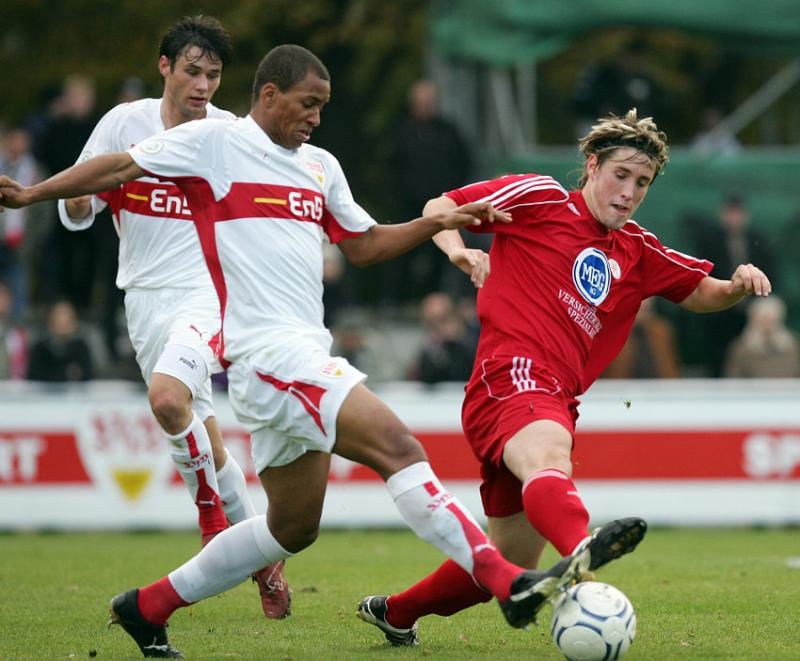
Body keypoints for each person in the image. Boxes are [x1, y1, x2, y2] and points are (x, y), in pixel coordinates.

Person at [0, 44, 643, 659]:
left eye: (323, 107)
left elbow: (362, 245)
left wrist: (434, 226)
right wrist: (34, 194)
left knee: (293, 528)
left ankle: (147, 606)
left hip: (299, 355)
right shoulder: (215, 141)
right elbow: (118, 166)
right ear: (270, 93)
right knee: (400, 448)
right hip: (267, 356)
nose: (315, 118)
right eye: (308, 103)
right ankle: (508, 583)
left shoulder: (321, 166)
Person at [355, 109, 772, 646]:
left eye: (641, 183)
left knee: (510, 561)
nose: (629, 192)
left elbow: (698, 291)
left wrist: (735, 284)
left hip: (556, 397)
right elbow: (443, 206)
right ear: (593, 167)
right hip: (509, 375)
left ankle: (397, 611)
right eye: (621, 175)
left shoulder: (638, 249)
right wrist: (459, 250)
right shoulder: (540, 198)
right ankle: (583, 548)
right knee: (550, 455)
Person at [55, 16, 290, 619]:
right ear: (165, 67)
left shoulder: (231, 133)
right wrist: (77, 204)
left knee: (166, 400)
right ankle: (263, 557)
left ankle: (212, 522)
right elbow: (79, 202)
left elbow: (275, 194)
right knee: (203, 436)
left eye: (213, 74)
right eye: (192, 71)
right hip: (143, 296)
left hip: (208, 293)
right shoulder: (122, 122)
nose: (203, 84)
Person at [384, 79, 475, 307]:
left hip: (442, 205)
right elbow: (390, 165)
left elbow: (465, 161)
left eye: (429, 102)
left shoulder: (447, 131)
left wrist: (454, 193)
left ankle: (433, 300)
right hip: (408, 205)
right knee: (403, 249)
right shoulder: (401, 130)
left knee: (440, 253)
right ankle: (396, 300)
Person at [690, 193, 776, 376]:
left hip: (752, 310)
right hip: (719, 312)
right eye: (731, 213)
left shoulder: (758, 240)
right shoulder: (710, 241)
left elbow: (770, 271)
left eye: (738, 213)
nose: (734, 218)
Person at [601, 297, 681, 379]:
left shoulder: (661, 331)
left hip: (657, 388)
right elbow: (613, 383)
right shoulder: (609, 332)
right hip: (619, 388)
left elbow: (672, 380)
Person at [723, 296, 800, 378]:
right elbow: (733, 379)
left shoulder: (792, 346)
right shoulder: (741, 348)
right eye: (763, 319)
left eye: (771, 320)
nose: (767, 325)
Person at [409, 291, 475, 384]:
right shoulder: (429, 345)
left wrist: (456, 342)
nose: (438, 327)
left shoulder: (472, 339)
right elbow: (423, 376)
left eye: (442, 319)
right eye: (431, 322)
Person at [26, 300, 94, 382]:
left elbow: (88, 377)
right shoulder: (40, 349)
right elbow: (34, 378)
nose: (63, 321)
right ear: (50, 320)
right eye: (59, 316)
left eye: (68, 317)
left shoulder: (81, 349)